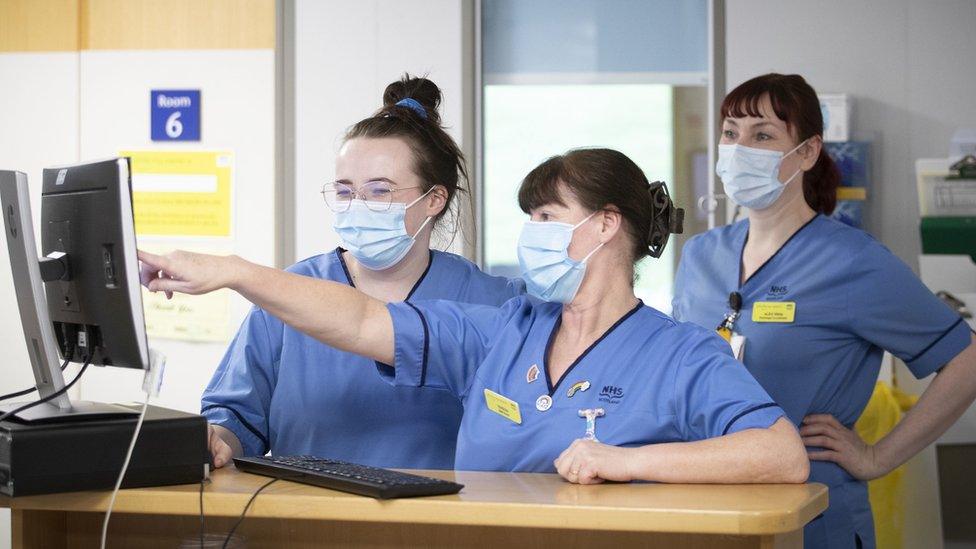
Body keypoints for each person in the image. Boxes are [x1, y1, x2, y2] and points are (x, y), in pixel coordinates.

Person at [142, 147, 810, 485]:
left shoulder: (680, 352)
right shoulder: (503, 328)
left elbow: (781, 453)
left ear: (607, 226)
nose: (532, 233)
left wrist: (630, 461)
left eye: (547, 217)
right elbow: (360, 320)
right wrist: (234, 270)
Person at [672, 73, 976, 549]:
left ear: (808, 152)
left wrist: (878, 457)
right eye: (731, 133)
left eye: (763, 135)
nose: (739, 148)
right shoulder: (700, 256)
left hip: (813, 516)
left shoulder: (853, 261)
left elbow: (967, 360)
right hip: (709, 507)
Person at [199, 75, 523, 470]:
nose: (357, 206)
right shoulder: (290, 295)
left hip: (442, 522)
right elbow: (235, 418)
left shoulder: (491, 301)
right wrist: (218, 440)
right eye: (345, 190)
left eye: (379, 191)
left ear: (434, 199)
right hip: (305, 516)